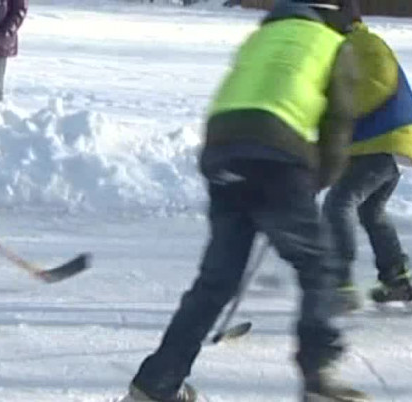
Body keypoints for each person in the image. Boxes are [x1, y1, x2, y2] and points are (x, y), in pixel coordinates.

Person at [122, 1, 365, 401]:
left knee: (216, 281)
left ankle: (156, 384)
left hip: (223, 153)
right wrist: (318, 179)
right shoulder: (331, 44)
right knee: (320, 265)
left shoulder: (263, 35)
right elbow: (338, 127)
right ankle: (318, 378)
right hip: (279, 157)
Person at [322, 10, 412, 312]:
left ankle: (340, 283)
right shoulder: (352, 44)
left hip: (384, 138)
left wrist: (331, 112)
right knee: (371, 210)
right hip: (385, 141)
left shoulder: (361, 44)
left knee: (339, 203)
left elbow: (372, 88)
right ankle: (397, 279)